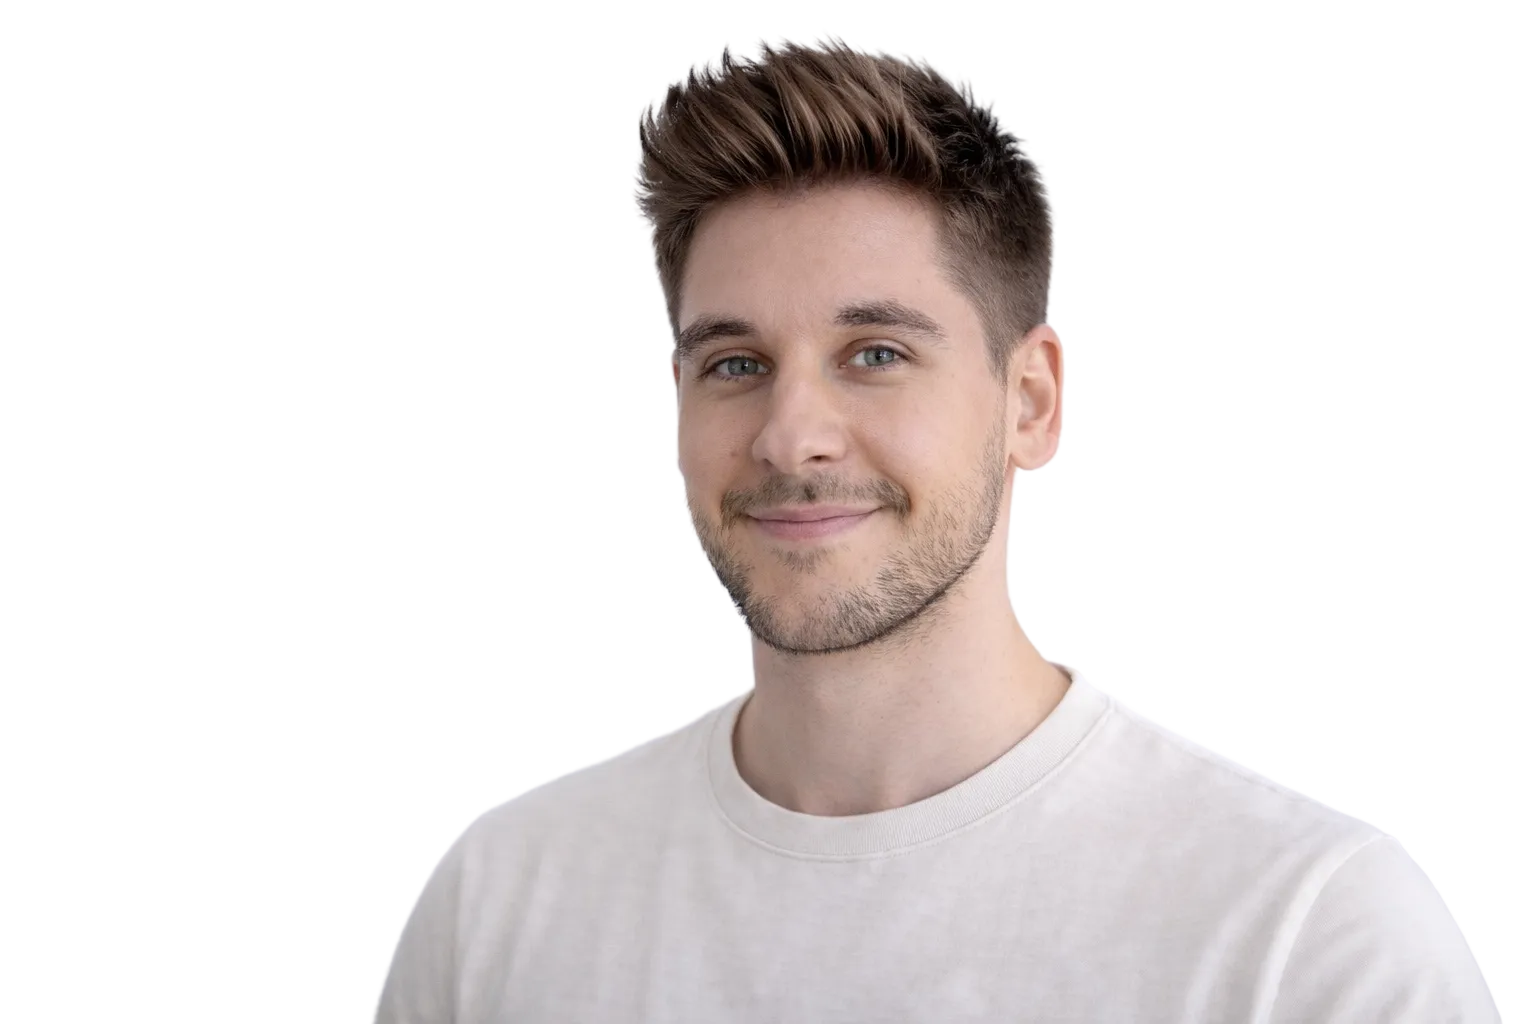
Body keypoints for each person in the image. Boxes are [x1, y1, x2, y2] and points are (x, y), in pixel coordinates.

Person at [371, 31, 1501, 1022]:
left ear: (1032, 401)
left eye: (876, 353)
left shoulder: (1309, 931)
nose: (790, 435)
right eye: (734, 362)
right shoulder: (501, 900)